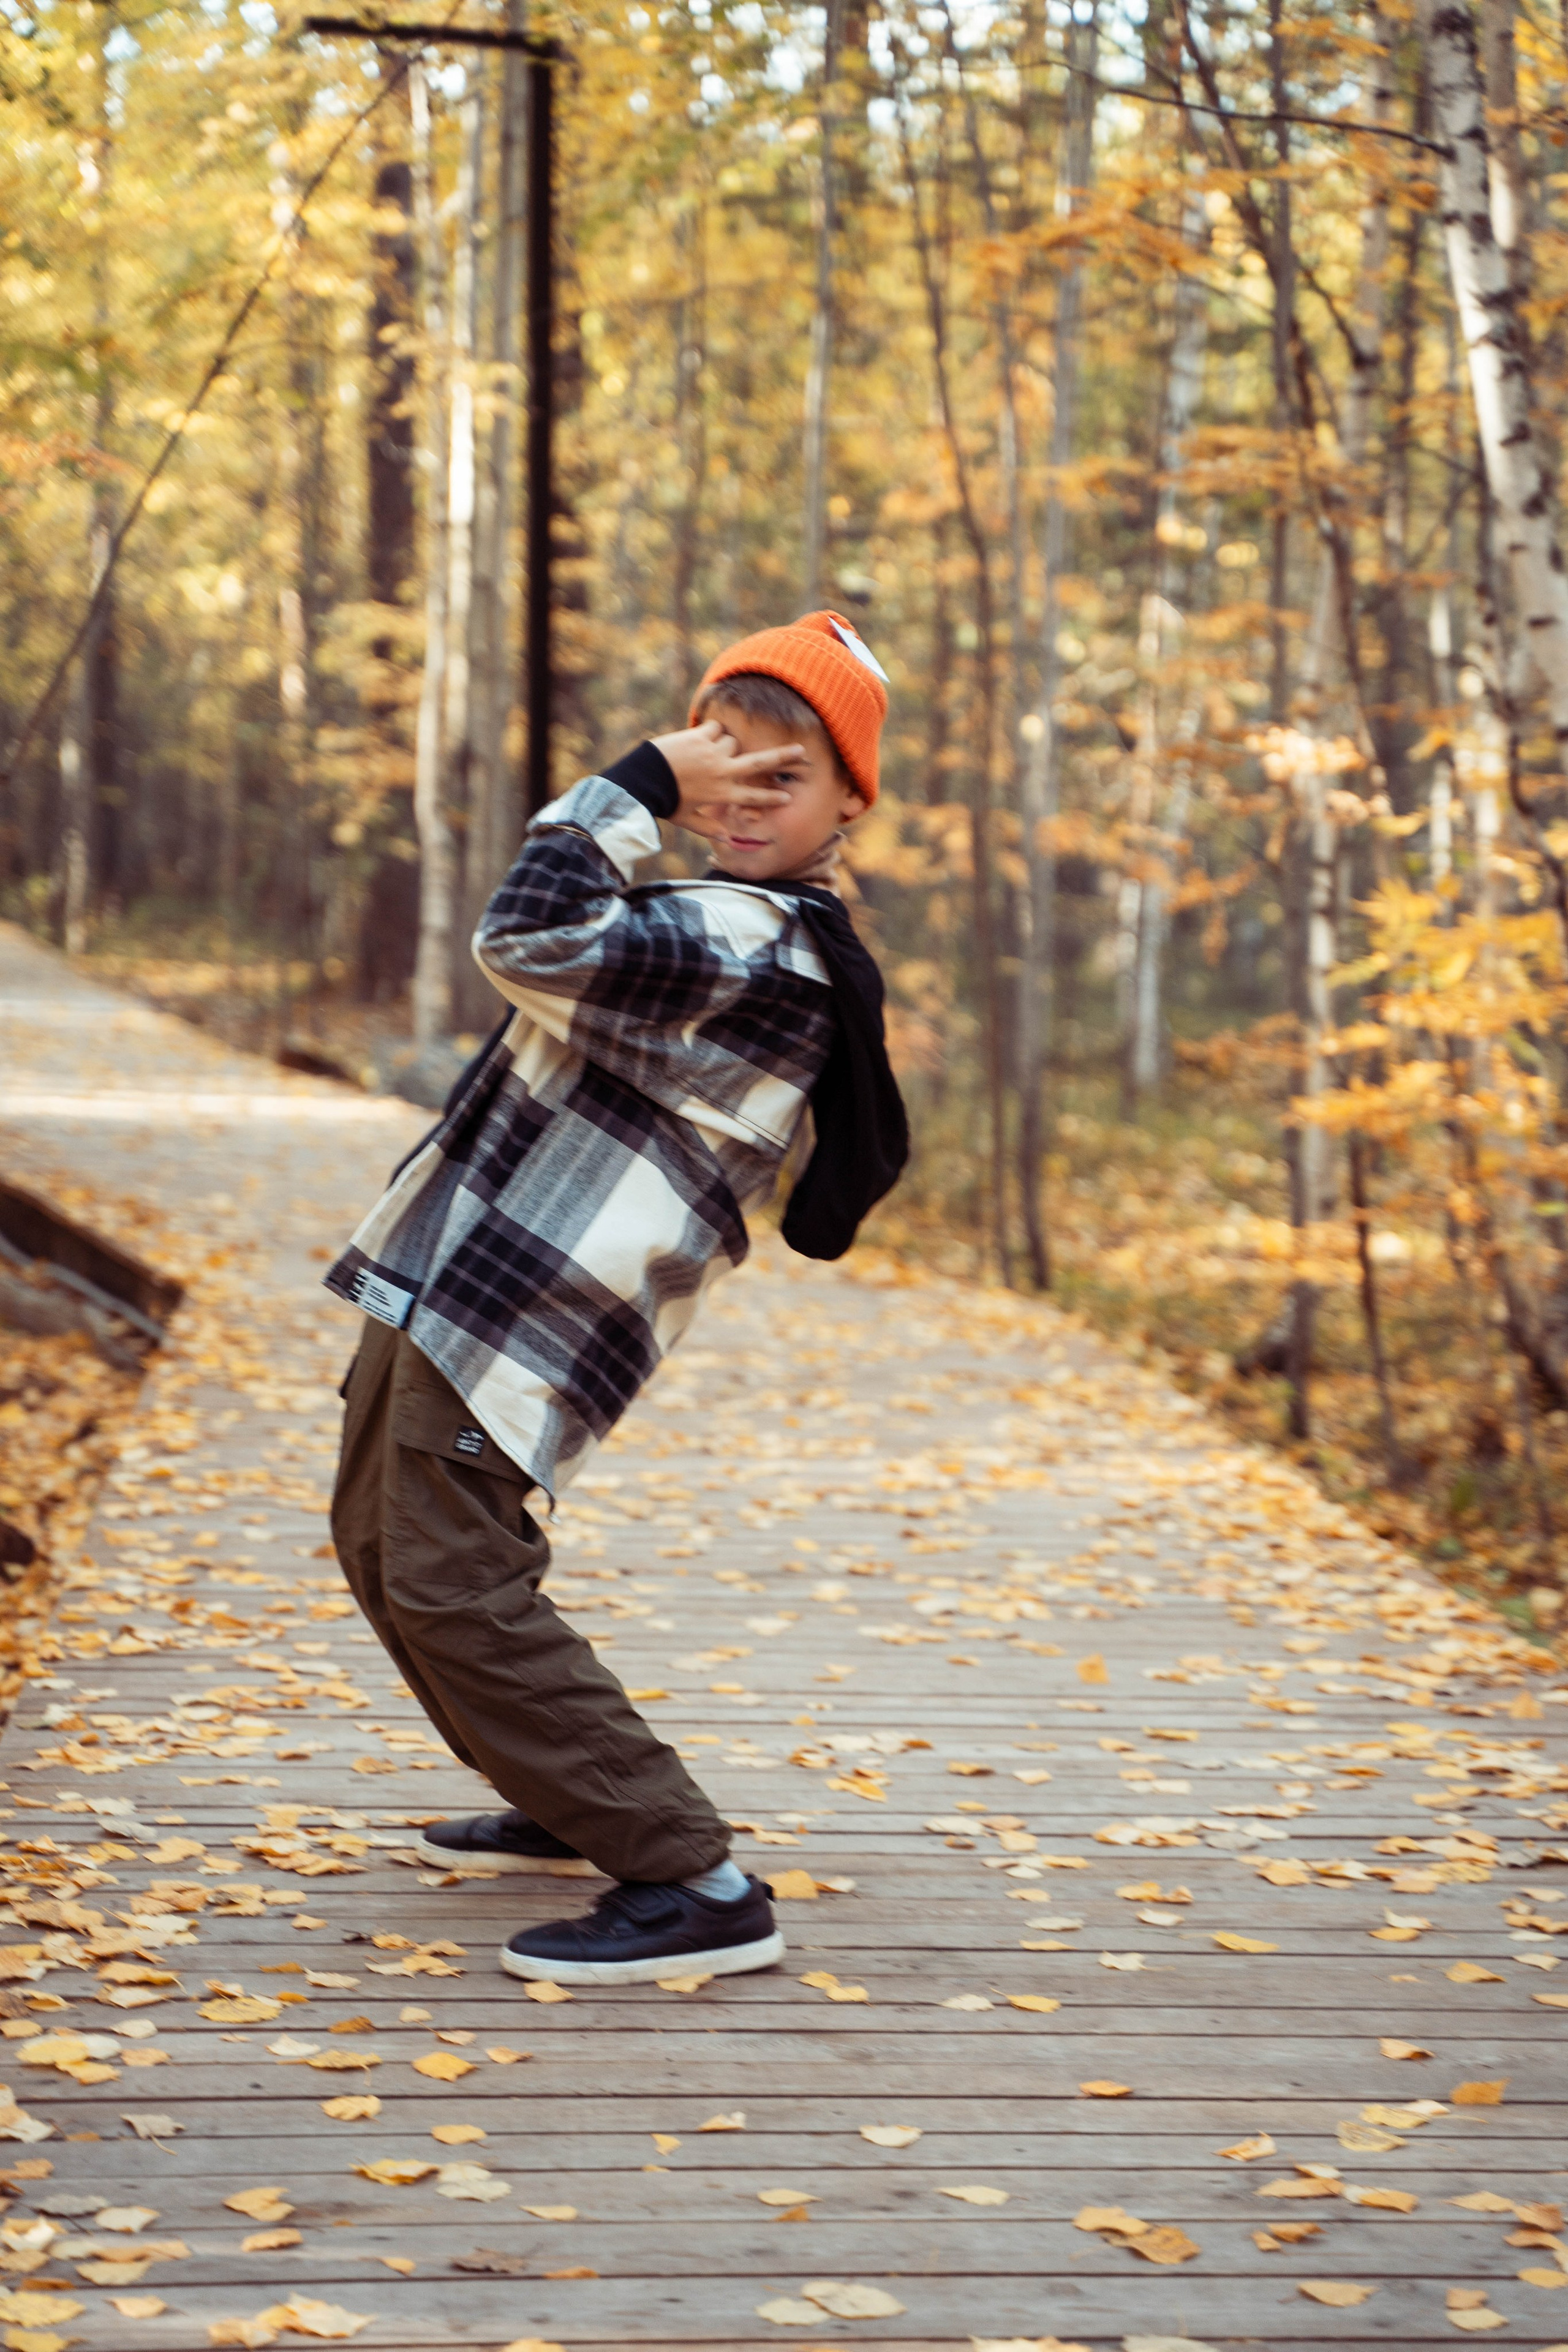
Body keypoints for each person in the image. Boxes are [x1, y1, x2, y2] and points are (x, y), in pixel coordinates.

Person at [325, 611, 908, 1985]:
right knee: (383, 1541)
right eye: (722, 761)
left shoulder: (753, 940)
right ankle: (568, 1788)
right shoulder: (700, 915)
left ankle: (692, 1878)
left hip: (524, 1308)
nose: (743, 798)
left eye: (783, 777)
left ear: (848, 804)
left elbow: (524, 933)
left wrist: (637, 781)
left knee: (450, 1581)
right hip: (460, 1272)